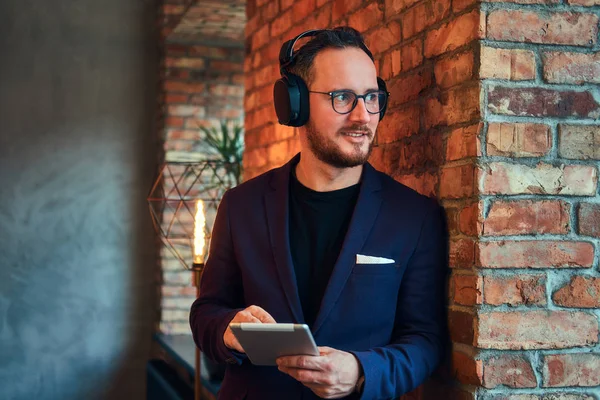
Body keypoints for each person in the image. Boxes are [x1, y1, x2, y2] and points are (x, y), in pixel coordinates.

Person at [189, 26, 448, 400]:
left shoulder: (414, 216)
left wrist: (361, 372)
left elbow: (425, 341)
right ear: (295, 105)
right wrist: (229, 328)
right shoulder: (240, 205)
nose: (363, 116)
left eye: (371, 97)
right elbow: (205, 312)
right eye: (342, 97)